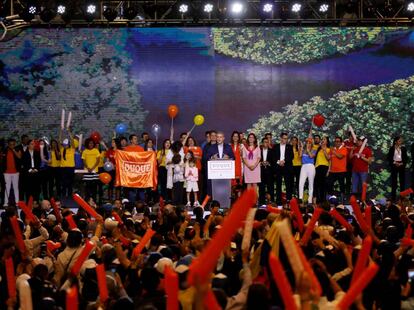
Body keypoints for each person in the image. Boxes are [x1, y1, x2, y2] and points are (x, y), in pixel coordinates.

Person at [273, 132, 294, 205]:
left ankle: (289, 200)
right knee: (278, 184)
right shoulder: (275, 146)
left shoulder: (290, 147)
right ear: (281, 138)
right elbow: (274, 157)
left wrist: (284, 161)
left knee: (288, 184)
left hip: (287, 167)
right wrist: (279, 162)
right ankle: (278, 201)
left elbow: (291, 156)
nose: (286, 140)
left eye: (286, 139)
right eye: (284, 138)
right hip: (278, 167)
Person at [2, 138, 22, 206]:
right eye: (10, 145)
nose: (12, 146)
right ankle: (5, 203)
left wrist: (13, 150)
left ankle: (17, 202)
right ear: (8, 144)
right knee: (7, 188)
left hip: (15, 172)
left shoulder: (17, 149)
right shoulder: (4, 150)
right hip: (6, 172)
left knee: (16, 187)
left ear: (15, 144)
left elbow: (19, 157)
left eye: (13, 144)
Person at [387, 136, 408, 201]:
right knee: (394, 182)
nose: (400, 142)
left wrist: (402, 163)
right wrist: (394, 162)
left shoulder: (403, 148)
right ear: (395, 141)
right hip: (394, 165)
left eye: (401, 141)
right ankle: (393, 198)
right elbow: (389, 157)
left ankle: (402, 198)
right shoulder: (392, 148)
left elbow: (406, 158)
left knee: (402, 182)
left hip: (401, 165)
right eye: (399, 141)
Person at [328, 136, 348, 202]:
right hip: (332, 171)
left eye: (338, 141)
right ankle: (331, 197)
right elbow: (328, 158)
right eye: (336, 141)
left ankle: (343, 199)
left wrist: (333, 151)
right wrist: (324, 149)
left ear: (341, 142)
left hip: (341, 171)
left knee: (342, 185)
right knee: (329, 183)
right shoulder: (332, 149)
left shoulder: (344, 149)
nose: (337, 143)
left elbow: (340, 156)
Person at [299, 138, 317, 204]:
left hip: (311, 166)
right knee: (301, 183)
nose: (308, 144)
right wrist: (301, 148)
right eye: (307, 143)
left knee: (311, 184)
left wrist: (308, 150)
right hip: (304, 166)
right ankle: (300, 198)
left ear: (311, 144)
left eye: (309, 143)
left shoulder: (314, 150)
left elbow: (311, 156)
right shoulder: (303, 150)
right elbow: (300, 156)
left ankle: (309, 200)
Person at [314, 136, 331, 203]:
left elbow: (329, 159)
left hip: (324, 167)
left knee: (323, 185)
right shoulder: (318, 149)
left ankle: (323, 201)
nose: (322, 140)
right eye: (322, 139)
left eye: (324, 139)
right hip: (317, 168)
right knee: (317, 185)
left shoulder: (329, 149)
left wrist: (328, 170)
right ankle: (318, 201)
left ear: (327, 141)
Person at [60, 131, 76, 199]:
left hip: (70, 168)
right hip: (63, 168)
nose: (65, 146)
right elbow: (59, 140)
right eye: (64, 145)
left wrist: (69, 133)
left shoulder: (72, 149)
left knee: (70, 184)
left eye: (66, 145)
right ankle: (63, 196)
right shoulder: (61, 149)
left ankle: (69, 196)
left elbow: (72, 141)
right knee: (63, 184)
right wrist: (61, 131)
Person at [259, 137, 274, 204]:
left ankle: (270, 201)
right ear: (262, 143)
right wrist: (261, 163)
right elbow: (257, 160)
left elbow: (274, 161)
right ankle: (261, 202)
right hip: (261, 172)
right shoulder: (259, 151)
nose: (266, 143)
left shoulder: (272, 151)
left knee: (270, 187)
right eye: (264, 142)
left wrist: (269, 163)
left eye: (267, 142)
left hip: (269, 172)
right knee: (261, 187)